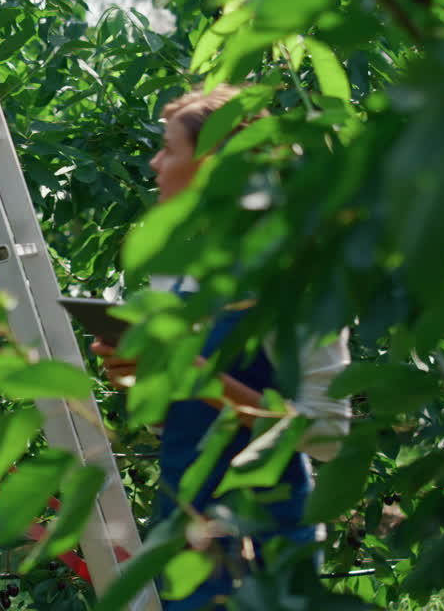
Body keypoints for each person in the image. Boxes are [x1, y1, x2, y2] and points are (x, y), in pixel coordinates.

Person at [91, 86, 351, 609]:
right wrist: (136, 376)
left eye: (169, 150)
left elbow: (327, 434)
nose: (154, 162)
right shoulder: (173, 267)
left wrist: (199, 378)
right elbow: (176, 420)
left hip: (264, 541)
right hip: (184, 534)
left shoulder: (291, 276)